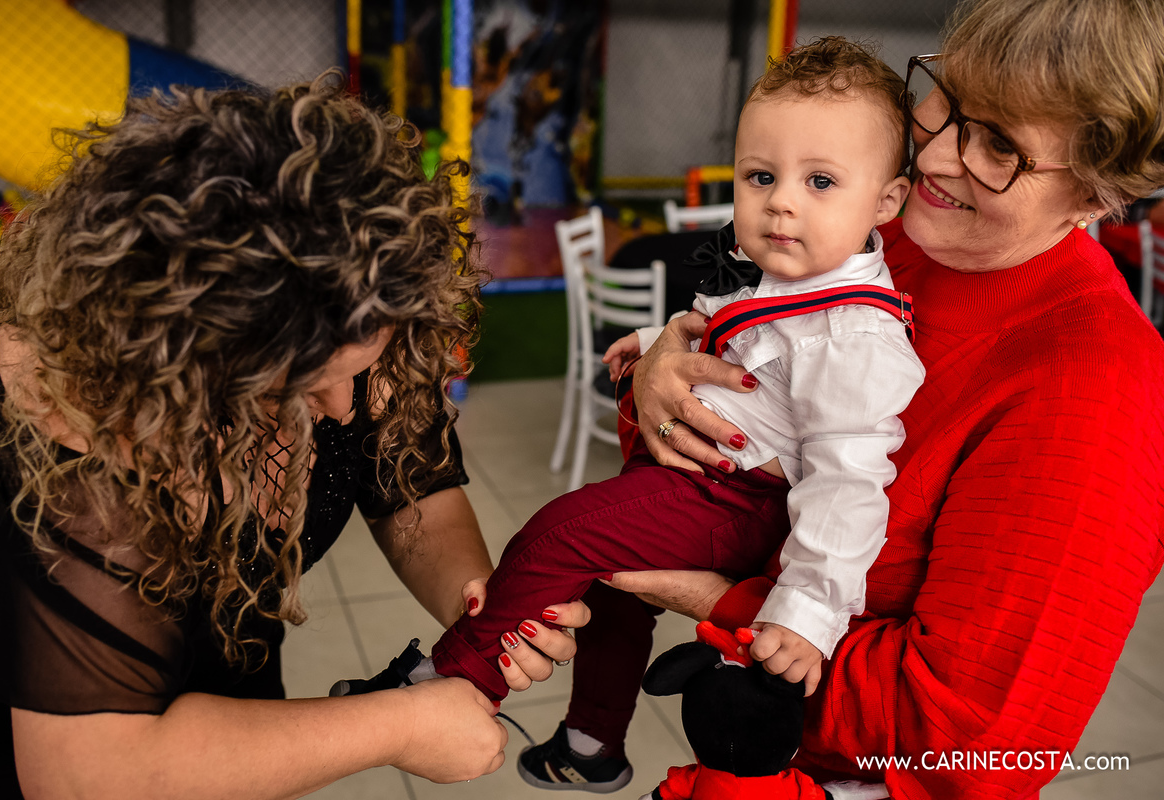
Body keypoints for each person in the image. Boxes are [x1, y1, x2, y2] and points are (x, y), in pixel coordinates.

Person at [0, 73, 586, 800]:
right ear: (185, 355)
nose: (340, 410)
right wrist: (398, 726)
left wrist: (471, 601)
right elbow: (90, 774)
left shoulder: (353, 314)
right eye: (296, 383)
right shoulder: (91, 426)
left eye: (355, 370)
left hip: (224, 701)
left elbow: (409, 488)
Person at [603, 0, 1164, 798]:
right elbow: (747, 332)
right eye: (947, 102)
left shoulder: (1098, 390)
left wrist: (723, 599)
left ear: (1099, 196)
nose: (935, 157)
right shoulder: (890, 237)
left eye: (1000, 145)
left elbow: (973, 739)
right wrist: (672, 354)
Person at [346, 37, 923, 795]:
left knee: (561, 533)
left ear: (887, 200)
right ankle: (592, 742)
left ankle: (458, 674)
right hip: (702, 478)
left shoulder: (855, 333)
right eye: (760, 176)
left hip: (733, 500)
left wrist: (807, 612)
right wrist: (657, 344)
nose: (782, 200)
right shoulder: (797, 277)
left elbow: (850, 483)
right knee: (611, 592)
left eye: (820, 180)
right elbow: (743, 340)